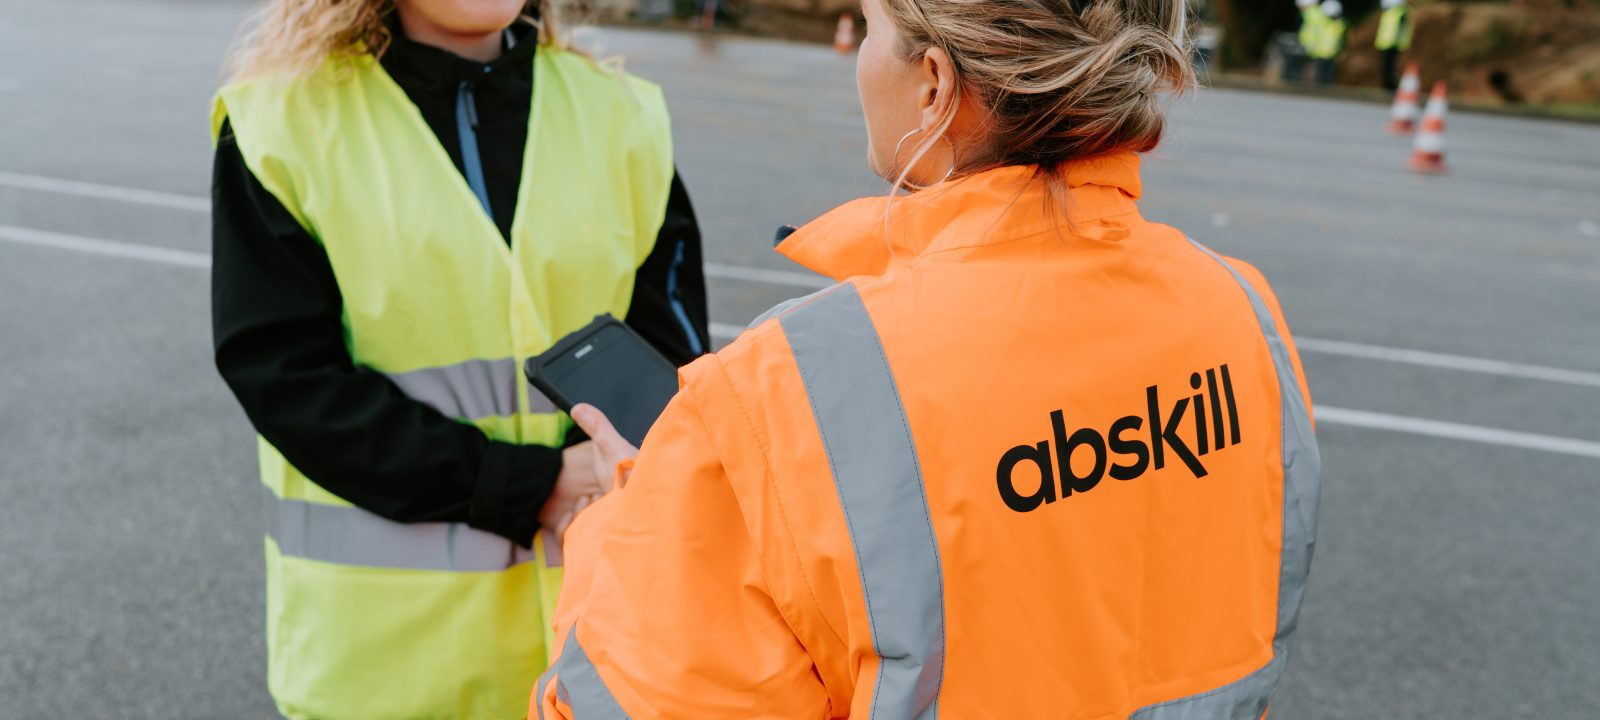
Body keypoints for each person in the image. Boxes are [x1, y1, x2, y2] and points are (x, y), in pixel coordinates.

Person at [531, 0, 1322, 716]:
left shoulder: (785, 389)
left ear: (935, 85)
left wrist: (621, 524)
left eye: (869, 28)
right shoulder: (1239, 306)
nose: (861, 59)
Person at [209, 0, 708, 717]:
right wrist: (532, 485)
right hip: (386, 670)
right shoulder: (282, 126)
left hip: (600, 657)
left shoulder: (623, 116)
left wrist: (607, 465)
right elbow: (289, 382)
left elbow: (672, 351)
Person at [1375, 0, 1415, 91]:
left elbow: (1400, 30)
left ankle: (1390, 87)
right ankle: (1387, 87)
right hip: (1386, 44)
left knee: (1390, 68)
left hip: (1393, 45)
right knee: (1386, 68)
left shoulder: (1399, 13)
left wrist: (1399, 43)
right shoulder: (1391, 13)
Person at [1308, 0, 1348, 86]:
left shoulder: (1340, 24)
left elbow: (1341, 40)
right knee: (1319, 77)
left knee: (1328, 77)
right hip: (1320, 53)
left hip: (1331, 54)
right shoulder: (1321, 23)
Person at [1292, 0, 1325, 83]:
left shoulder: (1310, 14)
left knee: (1304, 70)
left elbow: (1310, 31)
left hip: (1309, 47)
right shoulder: (1318, 12)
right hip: (1313, 47)